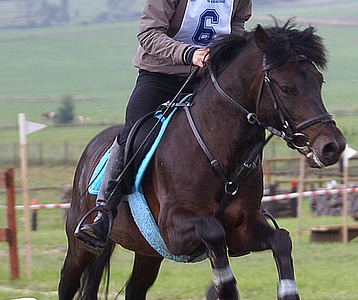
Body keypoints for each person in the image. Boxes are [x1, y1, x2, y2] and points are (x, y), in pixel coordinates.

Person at [76, 0, 253, 252]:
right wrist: (189, 54)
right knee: (136, 135)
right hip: (160, 74)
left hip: (207, 78)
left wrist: (227, 54)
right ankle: (103, 212)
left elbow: (236, 24)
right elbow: (148, 34)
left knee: (239, 131)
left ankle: (246, 210)